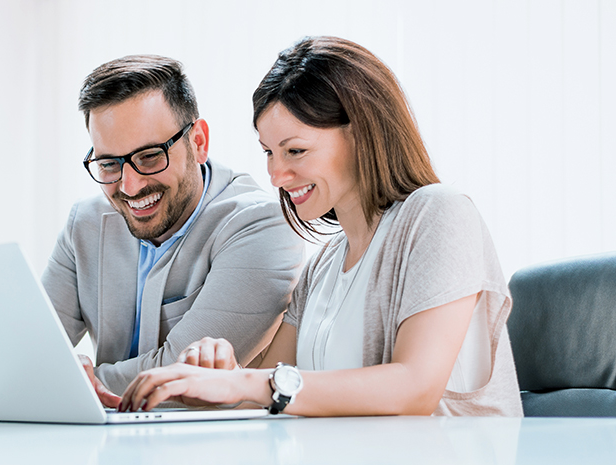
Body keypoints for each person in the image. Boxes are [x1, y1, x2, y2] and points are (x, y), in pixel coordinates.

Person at [118, 37, 524, 417]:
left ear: (363, 134)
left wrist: (248, 383)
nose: (277, 175)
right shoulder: (325, 265)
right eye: (269, 153)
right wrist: (217, 380)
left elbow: (415, 387)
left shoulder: (439, 213)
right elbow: (268, 393)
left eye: (295, 150)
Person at [41, 55, 305, 407]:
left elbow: (178, 379)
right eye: (109, 164)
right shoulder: (85, 223)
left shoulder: (264, 227)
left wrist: (58, 383)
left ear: (198, 142)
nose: (130, 186)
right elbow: (29, 350)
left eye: (149, 157)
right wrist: (47, 373)